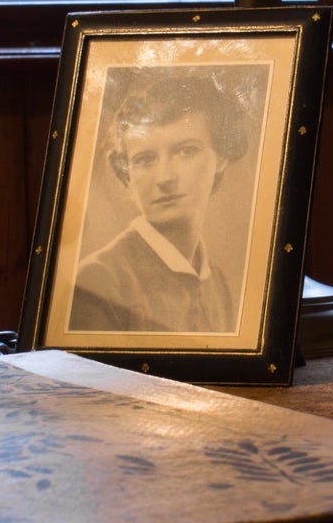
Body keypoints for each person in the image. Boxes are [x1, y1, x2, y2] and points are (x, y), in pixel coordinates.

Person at [69, 70, 252, 333]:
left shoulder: (217, 282)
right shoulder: (98, 281)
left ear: (221, 157)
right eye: (144, 159)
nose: (164, 178)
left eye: (185, 151)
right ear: (127, 174)